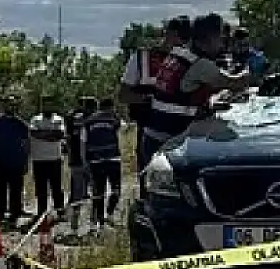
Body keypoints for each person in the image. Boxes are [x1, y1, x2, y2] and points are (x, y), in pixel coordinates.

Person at [142, 12, 260, 170]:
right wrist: (252, 69)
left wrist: (207, 105)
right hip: (169, 144)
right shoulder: (200, 64)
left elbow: (182, 95)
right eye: (221, 38)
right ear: (210, 38)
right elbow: (235, 83)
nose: (223, 43)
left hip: (152, 136)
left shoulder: (179, 53)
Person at [118, 16, 190, 172]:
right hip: (150, 133)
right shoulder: (142, 58)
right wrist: (149, 100)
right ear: (168, 34)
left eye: (185, 38)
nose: (181, 42)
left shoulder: (190, 61)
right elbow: (123, 95)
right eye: (178, 36)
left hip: (185, 135)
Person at [0, 96, 30, 227]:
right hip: (0, 162)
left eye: (12, 105)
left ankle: (14, 216)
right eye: (7, 104)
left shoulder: (21, 124)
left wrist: (26, 162)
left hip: (16, 163)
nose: (10, 107)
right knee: (0, 191)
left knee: (16, 191)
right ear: (3, 106)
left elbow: (26, 144)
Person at [83, 95, 126, 226]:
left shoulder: (88, 121)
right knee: (116, 190)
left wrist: (85, 160)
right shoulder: (113, 118)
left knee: (99, 192)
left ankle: (100, 219)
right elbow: (124, 127)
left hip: (95, 161)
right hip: (112, 159)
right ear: (111, 107)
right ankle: (109, 214)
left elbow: (84, 142)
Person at [27, 94, 67, 219]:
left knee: (56, 187)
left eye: (50, 104)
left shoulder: (59, 119)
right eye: (45, 104)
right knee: (41, 188)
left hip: (55, 158)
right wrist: (51, 135)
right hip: (39, 159)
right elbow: (33, 133)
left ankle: (60, 211)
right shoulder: (35, 119)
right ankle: (41, 212)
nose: (47, 106)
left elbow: (59, 134)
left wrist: (43, 133)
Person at [64, 98, 95, 232]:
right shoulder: (91, 120)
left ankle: (76, 224)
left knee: (79, 193)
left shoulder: (73, 118)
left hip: (79, 160)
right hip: (87, 161)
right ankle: (87, 223)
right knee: (91, 192)